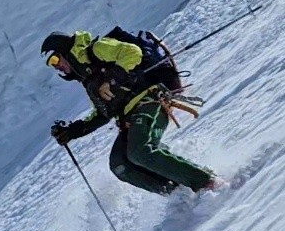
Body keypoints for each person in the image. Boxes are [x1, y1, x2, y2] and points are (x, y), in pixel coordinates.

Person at [41, 30, 216, 194]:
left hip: (150, 100)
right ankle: (180, 193)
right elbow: (103, 114)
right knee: (120, 165)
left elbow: (132, 52)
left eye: (55, 60)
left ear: (65, 51)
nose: (56, 67)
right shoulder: (89, 80)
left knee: (139, 151)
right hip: (129, 116)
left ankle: (206, 182)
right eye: (51, 65)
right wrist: (73, 131)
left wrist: (112, 80)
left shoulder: (97, 49)